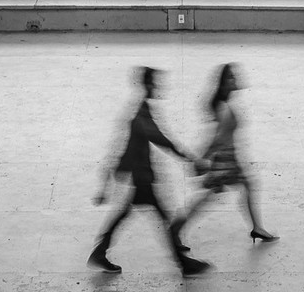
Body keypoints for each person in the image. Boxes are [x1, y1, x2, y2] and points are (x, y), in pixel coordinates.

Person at [88, 66, 211, 277]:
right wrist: (190, 159)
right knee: (165, 218)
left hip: (140, 177)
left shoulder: (142, 110)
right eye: (155, 82)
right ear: (147, 84)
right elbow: (162, 139)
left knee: (128, 214)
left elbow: (154, 139)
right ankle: (183, 263)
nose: (159, 86)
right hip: (142, 178)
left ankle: (100, 252)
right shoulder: (141, 117)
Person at [170, 63, 277, 251]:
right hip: (225, 161)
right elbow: (219, 137)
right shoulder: (224, 108)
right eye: (231, 77)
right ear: (224, 83)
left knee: (241, 187)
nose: (235, 80)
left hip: (229, 158)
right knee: (212, 195)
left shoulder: (223, 104)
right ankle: (176, 228)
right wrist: (203, 157)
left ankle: (257, 227)